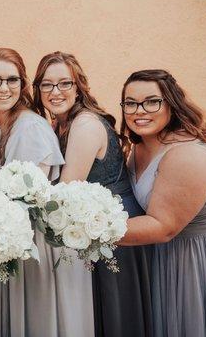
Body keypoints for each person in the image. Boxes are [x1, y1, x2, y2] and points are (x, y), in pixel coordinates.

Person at [34, 52, 153, 337]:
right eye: (47, 85)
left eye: (64, 83)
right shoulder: (60, 124)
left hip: (114, 228)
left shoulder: (85, 124)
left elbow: (65, 191)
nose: (55, 91)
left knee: (116, 314)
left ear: (78, 87)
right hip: (92, 227)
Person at [119, 69, 206, 337]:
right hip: (178, 254)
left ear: (171, 105)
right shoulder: (139, 147)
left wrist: (85, 229)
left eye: (152, 101)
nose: (140, 110)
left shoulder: (185, 155)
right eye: (130, 103)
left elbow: (163, 227)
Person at [0, 48, 66, 337]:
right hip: (11, 239)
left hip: (31, 240)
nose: (4, 88)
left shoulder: (29, 127)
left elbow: (28, 198)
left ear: (23, 84)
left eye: (12, 80)